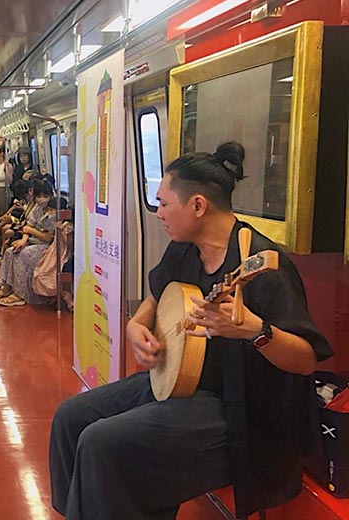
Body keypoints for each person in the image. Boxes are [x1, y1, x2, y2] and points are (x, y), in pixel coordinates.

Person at [49, 142, 333, 520]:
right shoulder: (184, 249)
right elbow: (155, 301)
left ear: (198, 206)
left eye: (164, 204)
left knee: (101, 443)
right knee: (71, 417)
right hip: (182, 384)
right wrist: (136, 325)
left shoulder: (264, 267)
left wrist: (255, 331)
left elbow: (306, 360)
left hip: (240, 410)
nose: (159, 213)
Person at [0, 180, 56, 307]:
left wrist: (31, 231)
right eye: (38, 196)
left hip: (48, 246)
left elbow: (48, 238)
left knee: (24, 255)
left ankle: (20, 294)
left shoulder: (53, 212)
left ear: (51, 196)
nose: (41, 200)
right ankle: (6, 287)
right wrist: (23, 240)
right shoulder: (37, 208)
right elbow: (29, 225)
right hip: (34, 240)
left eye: (45, 196)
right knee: (11, 251)